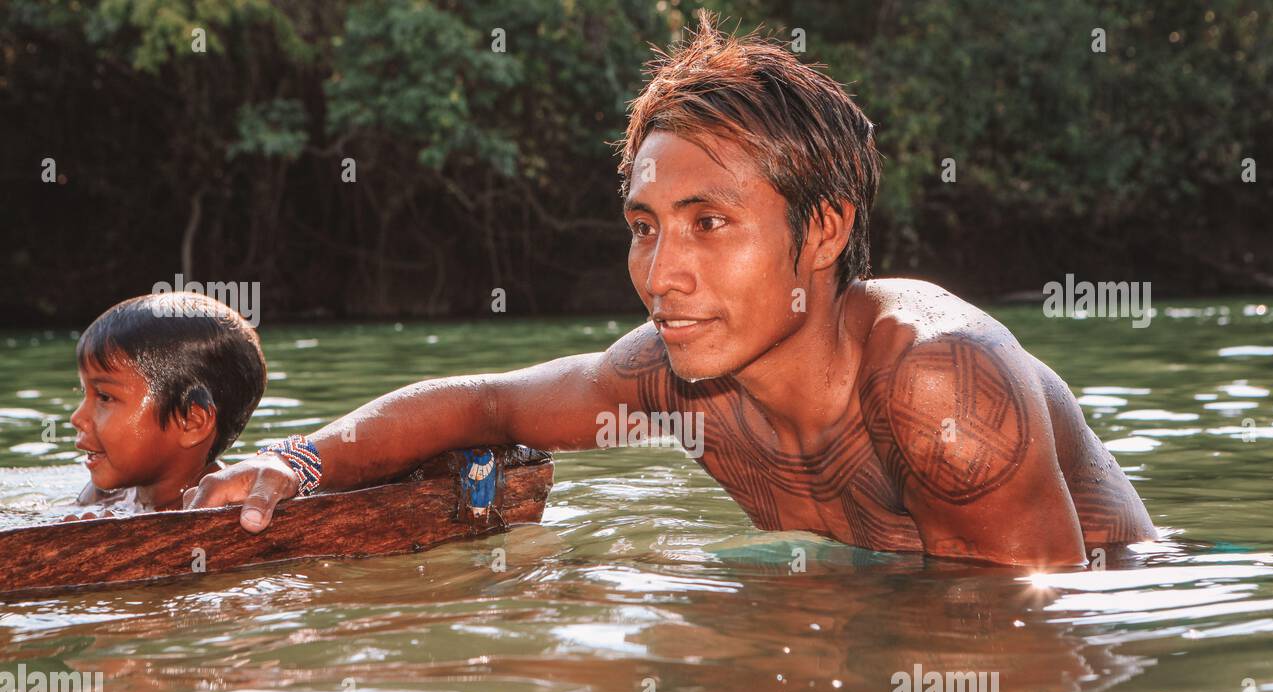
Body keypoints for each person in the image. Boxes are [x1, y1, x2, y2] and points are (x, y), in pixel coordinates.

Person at [186, 16, 1155, 568]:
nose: (661, 272)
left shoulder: (937, 384)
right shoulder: (677, 378)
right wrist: (296, 462)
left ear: (823, 229)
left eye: (709, 222)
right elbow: (481, 403)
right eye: (644, 228)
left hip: (1134, 631)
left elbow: (1028, 677)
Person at [67, 291, 266, 517]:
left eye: (104, 397)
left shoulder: (226, 517)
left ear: (191, 422)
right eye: (85, 393)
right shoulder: (105, 495)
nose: (77, 417)